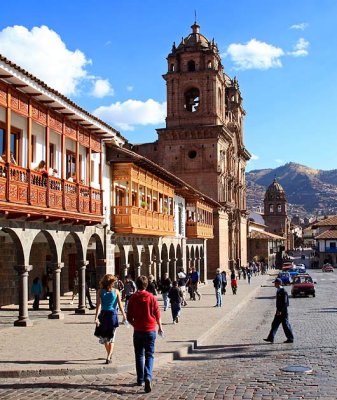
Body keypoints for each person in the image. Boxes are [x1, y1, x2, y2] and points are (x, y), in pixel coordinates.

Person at [127, 275, 164, 393]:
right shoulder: (152, 298)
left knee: (139, 355)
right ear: (146, 285)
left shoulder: (132, 298)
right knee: (149, 355)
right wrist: (160, 328)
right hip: (150, 330)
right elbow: (157, 314)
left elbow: (128, 317)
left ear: (136, 285)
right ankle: (148, 376)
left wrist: (135, 325)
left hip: (138, 330)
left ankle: (140, 379)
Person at [94, 274, 126, 364]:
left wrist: (96, 317)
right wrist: (124, 315)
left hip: (103, 315)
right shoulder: (116, 291)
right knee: (112, 337)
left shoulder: (100, 291)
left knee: (105, 337)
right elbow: (120, 305)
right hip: (113, 316)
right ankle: (108, 356)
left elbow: (98, 305)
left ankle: (109, 353)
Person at [264, 278, 294, 344]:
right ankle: (271, 338)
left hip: (283, 311)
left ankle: (290, 338)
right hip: (279, 311)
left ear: (279, 283)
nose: (274, 284)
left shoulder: (283, 291)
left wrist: (280, 310)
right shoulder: (278, 290)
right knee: (274, 324)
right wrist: (278, 310)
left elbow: (285, 303)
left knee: (285, 325)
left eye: (275, 283)